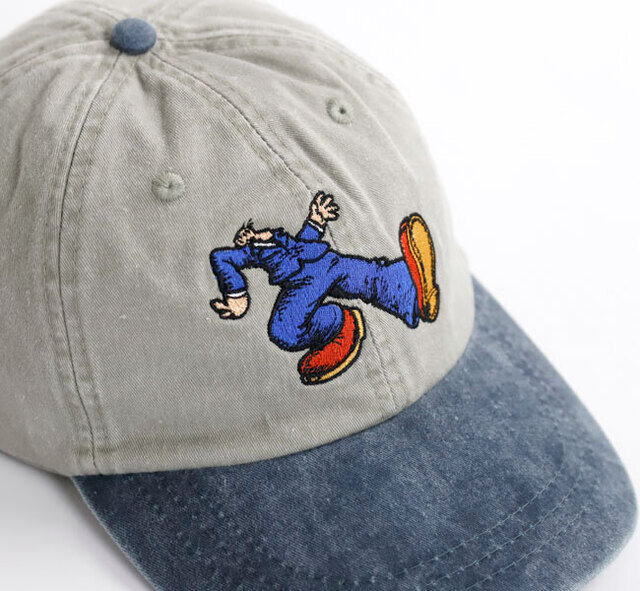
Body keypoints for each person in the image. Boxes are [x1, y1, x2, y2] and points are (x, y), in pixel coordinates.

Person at [210, 191, 440, 384]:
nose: (248, 235)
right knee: (285, 330)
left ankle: (413, 293)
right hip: (306, 277)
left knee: (369, 279)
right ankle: (343, 321)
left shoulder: (276, 238)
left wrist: (316, 219)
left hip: (318, 265)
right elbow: (221, 258)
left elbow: (301, 244)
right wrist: (236, 295)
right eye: (244, 237)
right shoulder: (254, 252)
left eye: (248, 232)